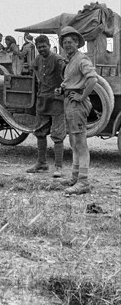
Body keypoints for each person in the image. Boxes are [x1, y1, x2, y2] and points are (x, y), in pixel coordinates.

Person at [58, 26, 98, 195]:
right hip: (69, 102)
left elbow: (93, 79)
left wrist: (81, 97)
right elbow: (74, 80)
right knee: (74, 142)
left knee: (80, 143)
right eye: (65, 42)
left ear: (77, 43)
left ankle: (83, 182)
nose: (67, 45)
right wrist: (63, 88)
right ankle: (75, 177)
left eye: (70, 42)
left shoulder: (82, 59)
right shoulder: (70, 60)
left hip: (77, 105)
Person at [26, 35, 66, 177]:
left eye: (44, 46)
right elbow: (33, 70)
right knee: (39, 132)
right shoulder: (37, 60)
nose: (42, 49)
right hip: (42, 101)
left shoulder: (58, 60)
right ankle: (41, 163)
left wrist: (62, 87)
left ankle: (58, 167)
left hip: (57, 102)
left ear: (49, 45)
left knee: (57, 134)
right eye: (39, 47)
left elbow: (68, 74)